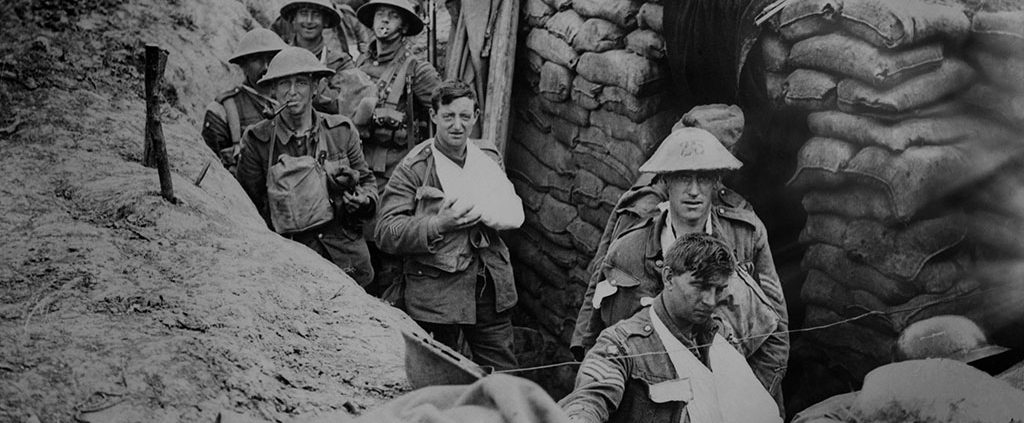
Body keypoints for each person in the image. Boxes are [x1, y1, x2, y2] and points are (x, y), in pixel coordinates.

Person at [570, 127, 790, 407]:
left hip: (731, 390)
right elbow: (596, 330)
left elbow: (777, 329)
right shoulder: (629, 248)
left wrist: (750, 399)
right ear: (666, 181)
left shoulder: (745, 235)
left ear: (716, 183)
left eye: (704, 178)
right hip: (652, 397)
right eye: (684, 178)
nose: (694, 191)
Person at [374, 80, 524, 370]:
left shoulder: (487, 159)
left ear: (476, 117)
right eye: (448, 116)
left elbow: (507, 212)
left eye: (465, 117)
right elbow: (385, 231)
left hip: (488, 288)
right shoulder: (416, 167)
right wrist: (437, 224)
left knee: (506, 376)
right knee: (441, 375)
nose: (457, 125)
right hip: (437, 295)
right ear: (434, 117)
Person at [560, 233, 782, 423]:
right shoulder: (622, 345)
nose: (710, 300)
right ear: (668, 278)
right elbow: (589, 399)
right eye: (699, 286)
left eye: (719, 289)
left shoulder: (720, 336)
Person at [236, 47, 377, 287]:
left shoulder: (340, 131)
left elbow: (367, 182)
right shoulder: (258, 141)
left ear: (315, 87)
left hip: (344, 257)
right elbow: (249, 209)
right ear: (273, 89)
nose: (292, 92)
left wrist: (363, 200)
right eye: (283, 84)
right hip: (290, 261)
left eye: (301, 83)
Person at [355, 0, 442, 296]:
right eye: (381, 14)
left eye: (393, 16)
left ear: (404, 26)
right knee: (356, 248)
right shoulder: (359, 65)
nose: (385, 21)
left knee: (390, 248)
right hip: (359, 169)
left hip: (395, 175)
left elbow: (443, 108)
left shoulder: (417, 69)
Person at [201, 28, 287, 175]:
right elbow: (213, 173)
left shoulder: (293, 103)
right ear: (243, 64)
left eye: (272, 58)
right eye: (257, 59)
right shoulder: (223, 110)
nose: (266, 67)